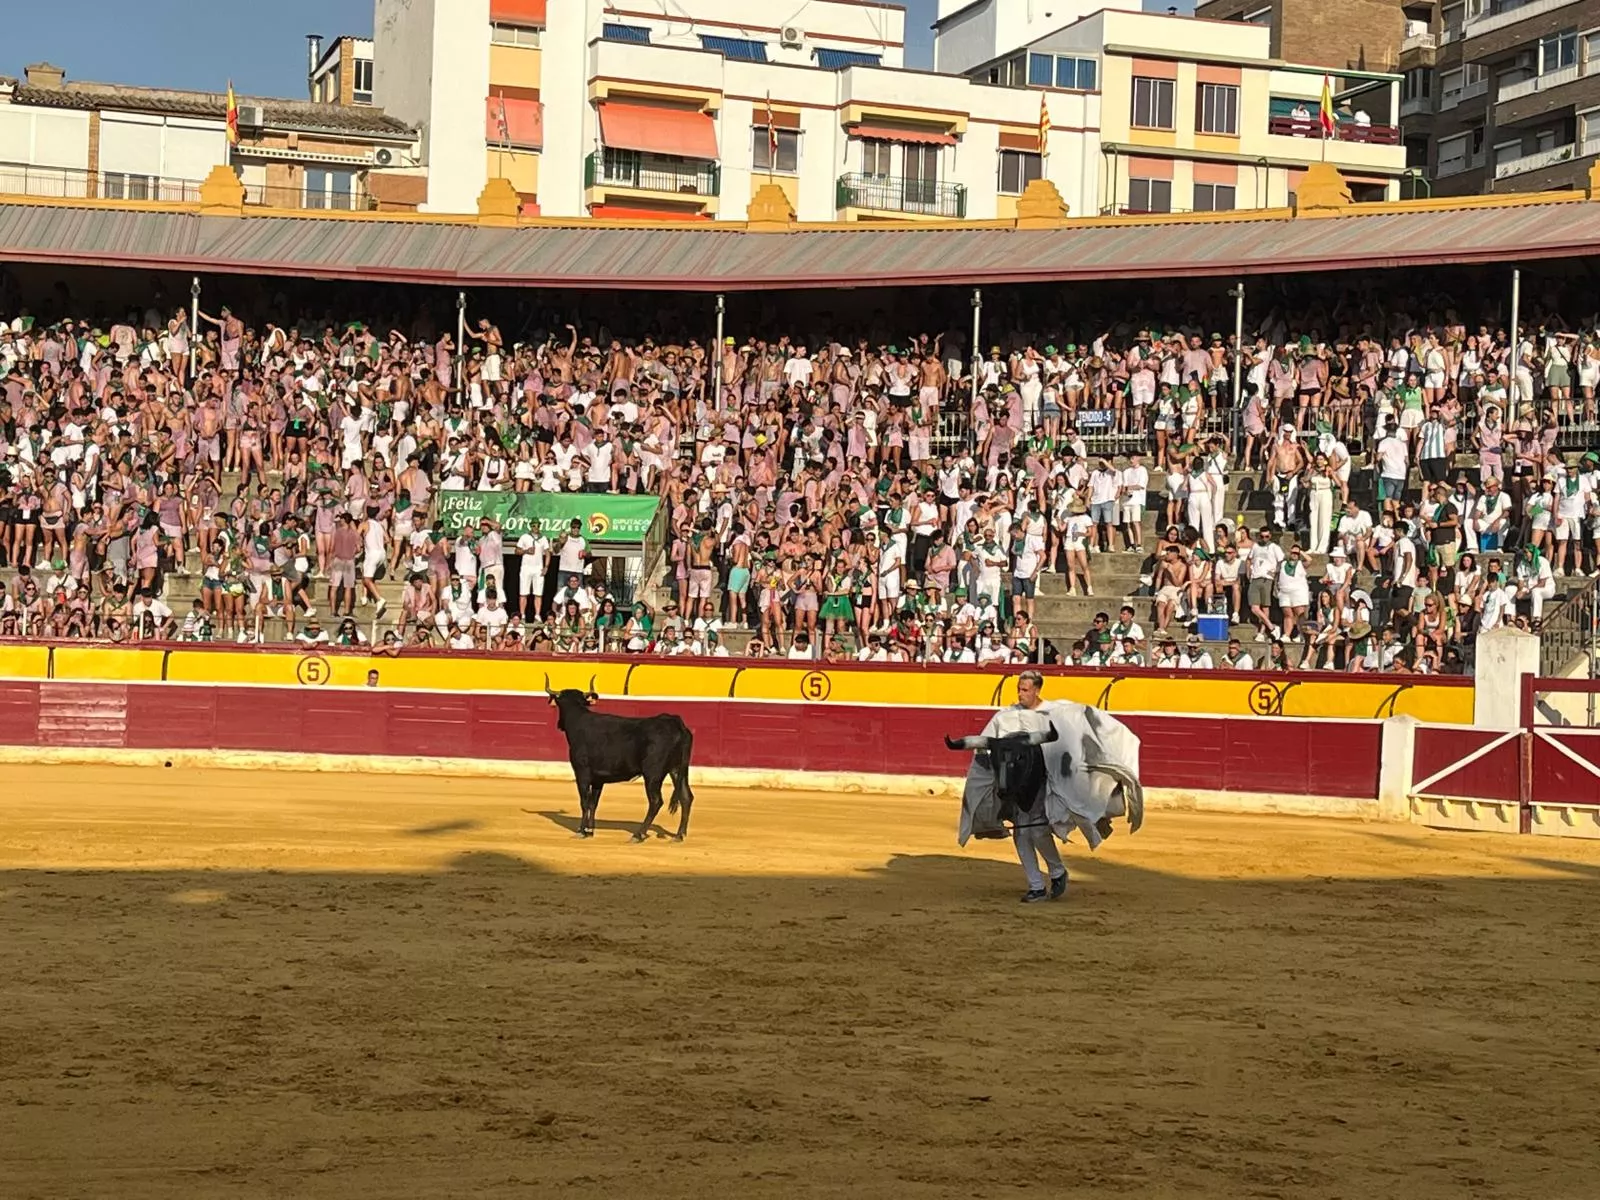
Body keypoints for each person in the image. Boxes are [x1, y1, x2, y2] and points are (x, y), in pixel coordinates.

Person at [1005, 670, 1069, 903]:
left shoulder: (1052, 713)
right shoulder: (1010, 714)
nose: (1020, 694)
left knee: (1037, 829)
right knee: (1022, 833)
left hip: (1045, 780)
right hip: (1018, 781)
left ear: (1037, 690)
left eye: (1025, 690)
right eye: (1019, 689)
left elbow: (1064, 746)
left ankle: (1057, 871)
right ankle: (1037, 885)